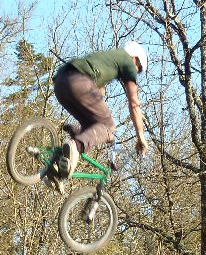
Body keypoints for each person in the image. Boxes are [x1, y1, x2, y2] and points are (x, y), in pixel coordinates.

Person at [45, 40, 149, 192]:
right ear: (135, 59)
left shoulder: (109, 59)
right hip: (78, 82)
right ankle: (75, 144)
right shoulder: (127, 61)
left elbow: (97, 89)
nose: (135, 72)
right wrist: (141, 137)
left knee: (93, 127)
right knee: (108, 127)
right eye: (138, 69)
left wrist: (100, 91)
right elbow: (134, 103)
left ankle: (56, 165)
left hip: (61, 83)